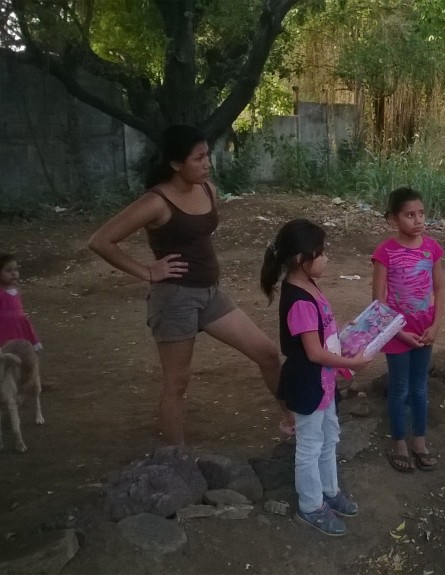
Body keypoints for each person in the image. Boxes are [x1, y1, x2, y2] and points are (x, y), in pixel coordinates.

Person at [88, 125, 289, 445]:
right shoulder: (156, 201)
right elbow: (101, 241)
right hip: (175, 300)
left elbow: (197, 236)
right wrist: (147, 271)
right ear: (176, 163)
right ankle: (177, 460)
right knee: (176, 384)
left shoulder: (207, 188)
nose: (207, 162)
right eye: (198, 158)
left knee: (266, 354)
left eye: (207, 154)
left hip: (210, 294)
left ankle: (293, 422)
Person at [260, 218, 372, 536]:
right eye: (320, 253)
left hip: (322, 382)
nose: (326, 258)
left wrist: (347, 332)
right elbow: (313, 352)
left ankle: (329, 491)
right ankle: (311, 505)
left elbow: (320, 336)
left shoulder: (307, 285)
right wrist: (355, 363)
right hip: (309, 381)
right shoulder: (298, 299)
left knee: (329, 436)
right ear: (300, 258)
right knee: (310, 444)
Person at [372, 187, 445, 473]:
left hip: (425, 330)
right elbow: (378, 301)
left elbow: (440, 288)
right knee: (400, 388)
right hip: (396, 332)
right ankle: (399, 442)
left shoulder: (432, 248)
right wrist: (397, 332)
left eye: (421, 214)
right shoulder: (385, 252)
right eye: (410, 215)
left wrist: (436, 325)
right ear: (393, 219)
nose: (418, 220)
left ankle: (420, 442)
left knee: (420, 387)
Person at [0, 254, 42, 350]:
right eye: (8, 271)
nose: (14, 273)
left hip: (19, 325)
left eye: (15, 270)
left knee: (21, 352)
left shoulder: (16, 290)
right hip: (5, 327)